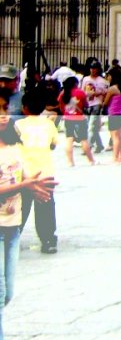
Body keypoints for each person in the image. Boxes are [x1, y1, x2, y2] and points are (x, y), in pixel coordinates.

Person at [0, 108, 58, 340]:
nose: (2, 116)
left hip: (11, 229)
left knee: (7, 294)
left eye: (3, 111)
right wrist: (25, 185)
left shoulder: (14, 148)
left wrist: (33, 188)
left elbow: (21, 178)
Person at [15, 94, 58, 254]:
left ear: (24, 108)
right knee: (46, 207)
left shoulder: (18, 124)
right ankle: (48, 240)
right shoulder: (49, 124)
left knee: (21, 206)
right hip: (45, 173)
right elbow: (53, 144)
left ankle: (13, 237)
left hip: (24, 174)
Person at [57, 76, 95, 167]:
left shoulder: (63, 93)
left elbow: (61, 106)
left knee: (69, 139)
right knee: (83, 139)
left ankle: (70, 162)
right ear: (75, 84)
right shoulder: (80, 92)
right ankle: (91, 160)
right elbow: (86, 104)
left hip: (68, 118)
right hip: (79, 118)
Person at [104, 69, 121, 165]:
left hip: (114, 114)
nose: (108, 78)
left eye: (109, 76)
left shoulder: (112, 89)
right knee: (120, 136)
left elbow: (105, 103)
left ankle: (115, 158)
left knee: (115, 137)